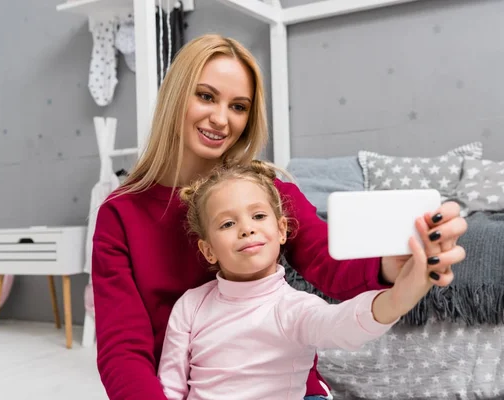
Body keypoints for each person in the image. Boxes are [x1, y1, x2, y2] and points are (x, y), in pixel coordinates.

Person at [91, 34, 468, 400]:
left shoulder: (270, 193)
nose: (222, 119)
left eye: (238, 106)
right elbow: (122, 351)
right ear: (176, 98)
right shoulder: (120, 214)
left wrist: (392, 264)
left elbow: (327, 260)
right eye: (206, 96)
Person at [156, 160, 463, 400]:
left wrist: (398, 299)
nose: (246, 229)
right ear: (208, 250)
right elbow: (169, 387)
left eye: (258, 216)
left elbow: (342, 324)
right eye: (227, 223)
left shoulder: (293, 308)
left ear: (282, 230)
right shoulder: (191, 306)